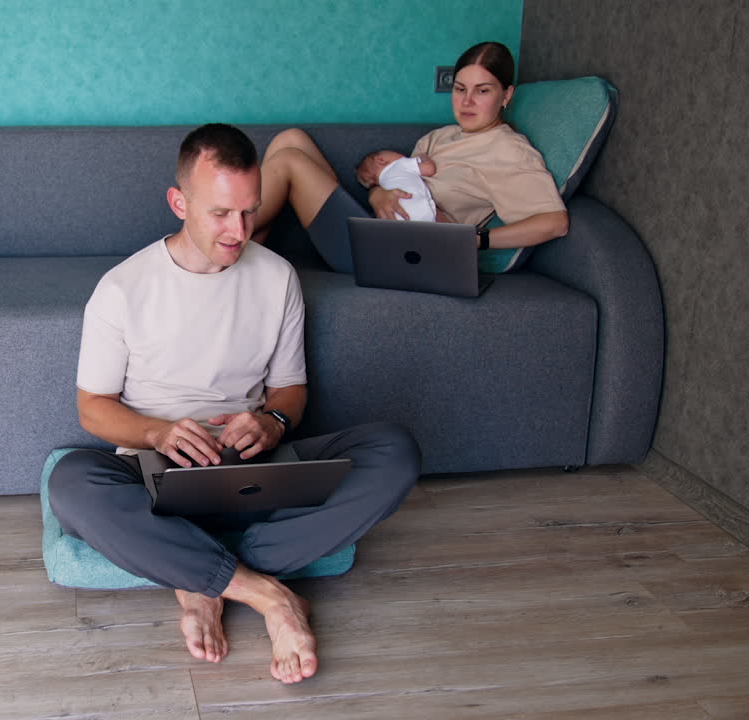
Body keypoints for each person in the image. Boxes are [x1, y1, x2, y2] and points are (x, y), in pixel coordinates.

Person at [48, 123, 420, 685]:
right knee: (71, 483)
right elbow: (93, 409)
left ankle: (196, 575)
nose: (238, 230)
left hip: (249, 467)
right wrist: (158, 434)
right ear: (180, 202)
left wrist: (271, 422)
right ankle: (266, 593)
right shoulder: (122, 288)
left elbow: (291, 391)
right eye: (221, 213)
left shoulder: (277, 277)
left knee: (395, 450)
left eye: (249, 211)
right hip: (154, 475)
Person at [253, 41, 570, 273]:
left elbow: (555, 223)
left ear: (507, 95)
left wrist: (475, 240)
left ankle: (215, 238)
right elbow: (398, 178)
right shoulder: (440, 137)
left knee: (288, 162)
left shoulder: (509, 150)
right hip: (378, 230)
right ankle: (246, 249)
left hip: (401, 255)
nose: (467, 102)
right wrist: (377, 194)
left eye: (482, 91)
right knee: (290, 139)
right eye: (460, 89)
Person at [353, 150, 438, 222]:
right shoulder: (398, 164)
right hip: (419, 210)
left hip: (392, 217)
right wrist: (424, 157)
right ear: (381, 160)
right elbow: (429, 169)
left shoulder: (383, 186)